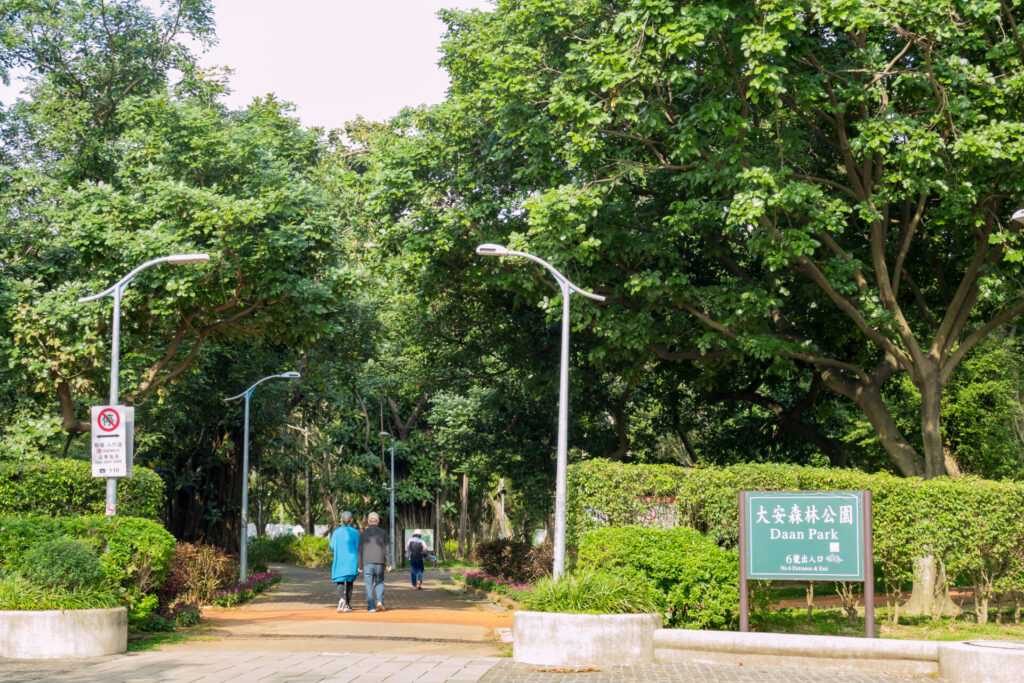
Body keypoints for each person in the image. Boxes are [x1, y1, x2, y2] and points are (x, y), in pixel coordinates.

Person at [357, 511, 391, 612]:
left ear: (368, 521)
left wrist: (360, 565)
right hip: (380, 562)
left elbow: (360, 550)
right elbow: (387, 548)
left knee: (369, 584)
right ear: (378, 521)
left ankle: (371, 606)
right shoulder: (383, 533)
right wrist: (389, 563)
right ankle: (379, 601)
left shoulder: (363, 534)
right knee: (380, 582)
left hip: (367, 562)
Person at [329, 511, 359, 612]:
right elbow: (358, 547)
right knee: (350, 582)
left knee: (340, 581)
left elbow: (332, 547)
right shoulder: (355, 532)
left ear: (341, 520)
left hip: (340, 560)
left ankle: (341, 598)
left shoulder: (336, 532)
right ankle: (347, 604)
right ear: (351, 521)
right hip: (351, 561)